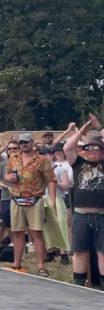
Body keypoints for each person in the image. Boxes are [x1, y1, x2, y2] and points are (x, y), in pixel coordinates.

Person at [5, 132, 56, 276]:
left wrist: (52, 201)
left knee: (36, 233)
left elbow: (51, 180)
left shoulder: (41, 160)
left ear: (32, 142)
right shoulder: (13, 158)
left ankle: (41, 265)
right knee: (17, 233)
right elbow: (6, 174)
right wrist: (8, 177)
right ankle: (16, 263)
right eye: (21, 143)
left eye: (26, 142)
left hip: (35, 199)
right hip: (16, 199)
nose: (23, 145)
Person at [63, 115, 104, 289]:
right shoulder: (78, 162)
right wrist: (81, 131)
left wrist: (99, 127)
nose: (91, 150)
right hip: (80, 215)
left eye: (95, 147)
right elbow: (67, 148)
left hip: (101, 215)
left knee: (102, 252)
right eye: (88, 148)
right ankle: (78, 285)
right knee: (79, 251)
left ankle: (102, 287)